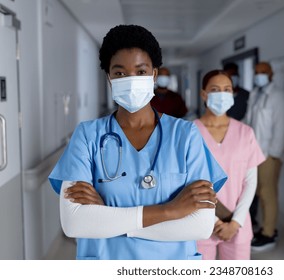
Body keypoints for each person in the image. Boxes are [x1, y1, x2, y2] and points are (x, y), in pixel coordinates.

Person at [48, 24, 227, 260]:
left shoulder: (185, 135)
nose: (131, 80)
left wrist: (109, 217)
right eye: (120, 73)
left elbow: (200, 226)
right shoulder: (87, 135)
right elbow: (75, 223)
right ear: (109, 77)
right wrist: (169, 210)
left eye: (140, 71)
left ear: (154, 75)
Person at [194, 69, 264, 260]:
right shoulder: (189, 132)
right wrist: (215, 221)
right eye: (215, 90)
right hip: (199, 220)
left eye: (227, 89)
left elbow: (250, 182)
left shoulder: (245, 132)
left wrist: (235, 222)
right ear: (204, 94)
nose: (222, 95)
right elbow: (185, 182)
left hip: (237, 221)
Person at [245, 61, 284, 251]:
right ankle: (266, 227)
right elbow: (248, 121)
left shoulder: (278, 97)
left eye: (263, 72)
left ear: (271, 73)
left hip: (268, 155)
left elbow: (282, 128)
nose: (259, 75)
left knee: (267, 194)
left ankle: (268, 233)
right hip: (253, 152)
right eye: (256, 72)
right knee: (259, 193)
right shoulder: (255, 94)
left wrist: (273, 155)